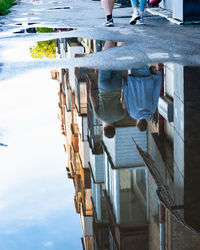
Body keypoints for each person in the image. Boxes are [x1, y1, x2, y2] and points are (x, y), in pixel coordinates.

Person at [88, 41, 126, 138]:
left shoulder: (121, 116)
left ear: (114, 128)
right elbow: (91, 96)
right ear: (104, 128)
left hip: (117, 86)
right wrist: (91, 85)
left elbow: (124, 100)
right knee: (105, 61)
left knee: (116, 62)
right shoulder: (98, 116)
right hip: (103, 87)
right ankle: (109, 39)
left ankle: (112, 40)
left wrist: (123, 86)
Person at [123, 65, 162, 132]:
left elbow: (156, 93)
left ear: (146, 122)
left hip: (146, 77)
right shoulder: (132, 113)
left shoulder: (152, 110)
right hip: (134, 79)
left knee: (143, 59)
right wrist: (124, 83)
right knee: (134, 59)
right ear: (137, 123)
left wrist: (158, 77)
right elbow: (127, 96)